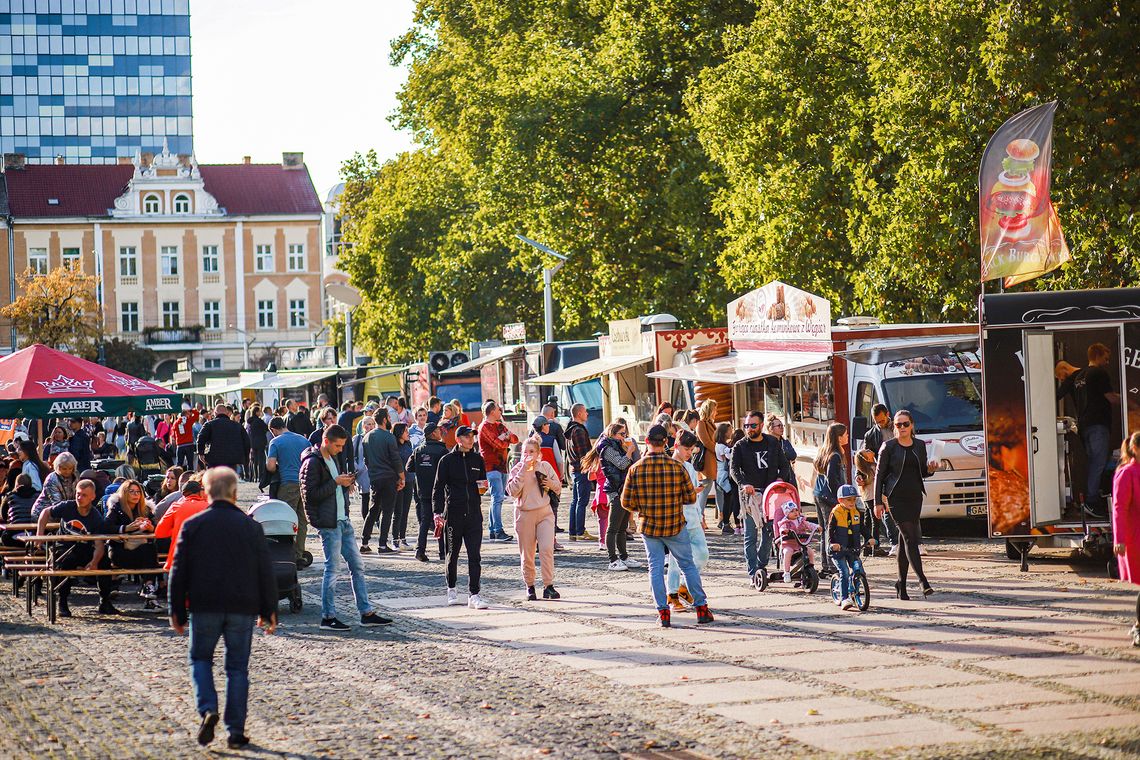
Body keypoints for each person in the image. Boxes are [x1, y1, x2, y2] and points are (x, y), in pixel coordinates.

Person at [168, 467, 277, 749]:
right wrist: (269, 610)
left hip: (205, 605)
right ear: (235, 492)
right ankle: (236, 731)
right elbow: (265, 571)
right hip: (242, 606)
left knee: (200, 659)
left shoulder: (193, 525)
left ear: (206, 492)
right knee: (237, 669)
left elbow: (179, 571)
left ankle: (207, 709)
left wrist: (176, 610)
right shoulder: (251, 526)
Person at [300, 424, 391, 631]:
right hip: (328, 523)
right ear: (326, 442)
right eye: (338, 446)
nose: (341, 449)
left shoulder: (334, 458)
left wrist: (346, 483)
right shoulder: (312, 463)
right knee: (332, 569)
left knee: (357, 566)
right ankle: (328, 617)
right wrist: (336, 482)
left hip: (343, 520)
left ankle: (366, 613)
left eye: (342, 446)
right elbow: (310, 495)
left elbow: (334, 486)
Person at [621, 424, 713, 628]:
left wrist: (642, 507)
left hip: (650, 526)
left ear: (647, 442)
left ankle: (663, 612)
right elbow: (690, 497)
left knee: (655, 568)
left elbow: (625, 501)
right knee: (688, 565)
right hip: (674, 524)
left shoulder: (636, 468)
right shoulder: (677, 467)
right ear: (666, 443)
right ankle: (701, 608)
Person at [873, 409, 938, 599]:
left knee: (904, 540)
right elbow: (879, 476)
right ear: (894, 427)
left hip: (915, 497)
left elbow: (922, 472)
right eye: (898, 424)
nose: (901, 427)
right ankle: (922, 581)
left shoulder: (919, 445)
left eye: (905, 424)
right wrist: (877, 502)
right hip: (896, 498)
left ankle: (901, 585)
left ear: (912, 425)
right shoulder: (888, 447)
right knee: (911, 538)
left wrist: (931, 469)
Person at [730, 411, 793, 584]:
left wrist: (781, 479)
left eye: (752, 425)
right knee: (750, 535)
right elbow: (734, 469)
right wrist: (743, 484)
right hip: (750, 495)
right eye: (746, 426)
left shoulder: (772, 442)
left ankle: (761, 566)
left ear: (761, 425)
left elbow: (784, 464)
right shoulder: (740, 446)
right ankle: (753, 571)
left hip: (770, 494)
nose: (749, 429)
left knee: (769, 532)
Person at [36, 479, 116, 616]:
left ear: (92, 497)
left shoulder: (95, 516)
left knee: (105, 562)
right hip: (63, 547)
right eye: (78, 494)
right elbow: (45, 513)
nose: (80, 498)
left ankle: (105, 602)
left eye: (84, 495)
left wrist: (94, 562)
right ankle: (62, 602)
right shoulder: (67, 506)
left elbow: (99, 544)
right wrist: (39, 535)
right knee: (65, 562)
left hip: (84, 548)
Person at [1058, 343, 1120, 515]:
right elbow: (1111, 398)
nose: (1107, 362)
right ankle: (1091, 501)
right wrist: (1129, 400)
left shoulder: (1078, 376)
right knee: (1098, 463)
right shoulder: (1098, 373)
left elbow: (1058, 395)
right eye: (1106, 358)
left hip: (1085, 426)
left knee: (1096, 461)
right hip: (1098, 424)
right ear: (1098, 355)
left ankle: (1096, 495)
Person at [433, 425, 489, 609]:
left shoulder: (477, 459)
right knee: (452, 554)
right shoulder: (446, 460)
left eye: (472, 436)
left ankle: (474, 594)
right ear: (458, 440)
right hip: (453, 515)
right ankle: (451, 589)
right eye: (466, 436)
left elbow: (482, 483)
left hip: (474, 514)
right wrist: (437, 512)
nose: (470, 439)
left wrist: (483, 487)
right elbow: (438, 487)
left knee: (475, 555)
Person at [507, 436, 561, 601]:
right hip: (525, 514)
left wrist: (549, 484)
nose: (528, 455)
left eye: (531, 452)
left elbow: (558, 486)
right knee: (527, 553)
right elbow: (511, 491)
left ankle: (548, 585)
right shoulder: (517, 469)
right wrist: (523, 470)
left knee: (546, 549)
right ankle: (529, 585)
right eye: (525, 452)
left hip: (544, 512)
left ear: (538, 453)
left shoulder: (545, 466)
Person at [665, 431, 708, 612]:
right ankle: (672, 594)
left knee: (703, 554)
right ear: (676, 446)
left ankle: (683, 585)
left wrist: (700, 515)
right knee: (676, 560)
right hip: (678, 518)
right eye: (686, 449)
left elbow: (694, 496)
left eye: (691, 449)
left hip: (693, 517)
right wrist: (691, 494)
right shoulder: (670, 466)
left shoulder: (689, 467)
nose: (689, 452)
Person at [584, 421, 636, 571]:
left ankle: (624, 557)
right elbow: (621, 464)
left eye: (625, 434)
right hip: (615, 489)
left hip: (623, 488)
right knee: (613, 527)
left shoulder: (617, 445)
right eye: (621, 434)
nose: (624, 437)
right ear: (613, 434)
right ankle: (612, 559)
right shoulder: (607, 448)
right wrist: (629, 451)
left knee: (622, 527)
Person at [265, 417, 312, 566]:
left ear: (273, 430)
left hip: (288, 484)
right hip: (304, 483)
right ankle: (299, 554)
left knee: (285, 521)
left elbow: (271, 466)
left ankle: (287, 554)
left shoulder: (275, 442)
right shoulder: (304, 440)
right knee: (302, 520)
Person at [104, 478, 160, 601]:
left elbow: (157, 528)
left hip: (141, 550)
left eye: (138, 492)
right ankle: (148, 588)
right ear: (124, 493)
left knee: (150, 549)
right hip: (120, 550)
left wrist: (151, 528)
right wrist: (126, 528)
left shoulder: (145, 509)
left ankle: (148, 587)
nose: (136, 495)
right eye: (132, 491)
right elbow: (106, 527)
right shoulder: (116, 508)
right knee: (150, 557)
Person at [361, 411, 406, 554]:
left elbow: (366, 460)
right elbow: (395, 459)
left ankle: (364, 542)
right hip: (388, 477)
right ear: (385, 419)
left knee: (374, 509)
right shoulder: (389, 437)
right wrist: (402, 477)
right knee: (387, 511)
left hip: (374, 477)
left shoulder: (367, 437)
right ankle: (382, 545)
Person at [1111, 432, 1140, 647]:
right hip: (1136, 537)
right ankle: (1139, 627)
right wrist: (1119, 539)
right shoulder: (1127, 473)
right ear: (1136, 449)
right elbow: (1119, 508)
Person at [828, 484, 874, 610]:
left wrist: (869, 537)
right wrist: (833, 543)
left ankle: (856, 591)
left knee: (859, 570)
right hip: (839, 550)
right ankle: (844, 598)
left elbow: (862, 528)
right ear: (840, 500)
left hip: (853, 548)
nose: (852, 502)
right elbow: (830, 530)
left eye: (854, 499)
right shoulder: (836, 513)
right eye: (849, 499)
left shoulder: (856, 512)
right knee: (845, 572)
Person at [858, 404, 897, 554]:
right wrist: (860, 475)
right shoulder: (870, 435)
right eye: (876, 421)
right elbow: (863, 458)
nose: (879, 424)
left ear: (887, 414)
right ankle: (879, 544)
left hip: (896, 471)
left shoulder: (898, 427)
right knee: (879, 513)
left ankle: (872, 546)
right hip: (880, 474)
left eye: (881, 421)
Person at [477, 400, 518, 543]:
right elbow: (497, 443)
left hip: (502, 466)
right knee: (498, 497)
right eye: (499, 410)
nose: (501, 411)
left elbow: (515, 438)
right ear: (492, 411)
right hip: (491, 466)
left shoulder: (499, 425)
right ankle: (498, 530)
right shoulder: (484, 427)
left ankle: (493, 530)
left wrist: (505, 438)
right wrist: (505, 439)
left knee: (497, 498)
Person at [813, 422, 849, 577]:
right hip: (828, 497)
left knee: (824, 531)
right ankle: (831, 564)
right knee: (831, 530)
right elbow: (832, 479)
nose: (847, 436)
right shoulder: (834, 455)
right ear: (839, 437)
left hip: (819, 494)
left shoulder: (825, 451)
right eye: (845, 434)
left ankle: (826, 564)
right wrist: (840, 497)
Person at [410, 422, 448, 563]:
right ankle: (443, 552)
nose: (440, 433)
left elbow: (409, 467)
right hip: (438, 490)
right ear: (433, 433)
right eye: (438, 431)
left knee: (425, 521)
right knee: (440, 519)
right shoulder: (442, 451)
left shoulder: (418, 450)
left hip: (423, 491)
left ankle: (420, 550)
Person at [154, 477, 208, 571]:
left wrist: (176, 529)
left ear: (183, 495)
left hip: (179, 558)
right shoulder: (209, 507)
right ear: (200, 492)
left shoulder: (176, 506)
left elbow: (160, 532)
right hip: (205, 558)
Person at [564, 403, 596, 542]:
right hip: (581, 470)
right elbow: (584, 454)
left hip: (574, 469)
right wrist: (590, 467)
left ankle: (573, 532)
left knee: (575, 501)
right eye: (585, 411)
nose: (587, 414)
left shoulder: (570, 429)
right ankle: (580, 531)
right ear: (579, 414)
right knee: (581, 502)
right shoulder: (579, 431)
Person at [196, 405, 252, 472]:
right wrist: (246, 459)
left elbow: (201, 438)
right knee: (230, 481)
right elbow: (246, 442)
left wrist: (201, 453)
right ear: (227, 413)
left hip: (214, 459)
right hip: (232, 460)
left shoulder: (209, 425)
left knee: (214, 481)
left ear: (215, 413)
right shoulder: (237, 426)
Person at [777, 501, 818, 584]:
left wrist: (816, 527)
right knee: (788, 552)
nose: (795, 512)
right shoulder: (785, 522)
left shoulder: (801, 520)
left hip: (801, 543)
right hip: (789, 544)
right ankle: (787, 572)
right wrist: (784, 531)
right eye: (792, 511)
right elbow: (782, 529)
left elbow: (809, 525)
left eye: (796, 510)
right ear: (787, 514)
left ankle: (810, 568)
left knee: (810, 551)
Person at [30, 451, 78, 518]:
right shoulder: (51, 479)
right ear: (58, 467)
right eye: (64, 469)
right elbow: (56, 504)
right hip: (43, 513)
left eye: (70, 468)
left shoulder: (75, 476)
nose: (67, 471)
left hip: (64, 511)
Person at [693, 400, 719, 516]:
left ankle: (700, 514)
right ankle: (699, 514)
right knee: (704, 490)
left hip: (712, 460)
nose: (716, 412)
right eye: (714, 409)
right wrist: (718, 450)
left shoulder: (710, 423)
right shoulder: (701, 423)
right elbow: (706, 441)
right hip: (706, 461)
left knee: (706, 489)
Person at [714, 422, 739, 535]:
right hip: (723, 475)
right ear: (724, 433)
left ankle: (724, 522)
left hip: (721, 474)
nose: (731, 432)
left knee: (729, 499)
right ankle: (725, 523)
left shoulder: (721, 445)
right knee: (729, 499)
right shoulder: (722, 447)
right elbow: (730, 457)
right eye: (730, 430)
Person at [392, 423, 415, 549]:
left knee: (405, 511)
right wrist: (399, 479)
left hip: (410, 479)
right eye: (406, 431)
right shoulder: (394, 445)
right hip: (399, 481)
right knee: (398, 511)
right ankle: (395, 540)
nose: (408, 433)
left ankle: (403, 538)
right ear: (399, 432)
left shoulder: (408, 444)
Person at [1, 473, 38, 547]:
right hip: (34, 536)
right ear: (30, 484)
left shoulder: (10, 496)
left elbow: (3, 515)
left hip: (13, 537)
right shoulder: (38, 496)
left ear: (16, 484)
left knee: (3, 537)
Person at [352, 415, 376, 525]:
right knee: (365, 498)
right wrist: (357, 468)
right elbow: (352, 455)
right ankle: (367, 522)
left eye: (372, 424)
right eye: (368, 424)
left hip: (375, 471)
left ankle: (375, 520)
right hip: (362, 472)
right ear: (363, 426)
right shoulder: (357, 439)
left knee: (376, 498)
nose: (370, 426)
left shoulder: (377, 437)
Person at [173, 405, 201, 471]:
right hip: (189, 444)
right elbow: (197, 414)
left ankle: (178, 476)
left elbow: (173, 434)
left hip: (180, 446)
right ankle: (189, 477)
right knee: (190, 463)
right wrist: (191, 410)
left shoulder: (176, 423)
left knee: (179, 464)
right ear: (186, 414)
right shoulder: (189, 420)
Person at [245, 405, 269, 483]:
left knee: (254, 460)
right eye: (259, 411)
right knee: (261, 460)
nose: (260, 413)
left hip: (252, 442)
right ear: (256, 412)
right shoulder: (259, 421)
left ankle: (254, 476)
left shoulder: (249, 422)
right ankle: (260, 476)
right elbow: (266, 428)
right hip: (260, 442)